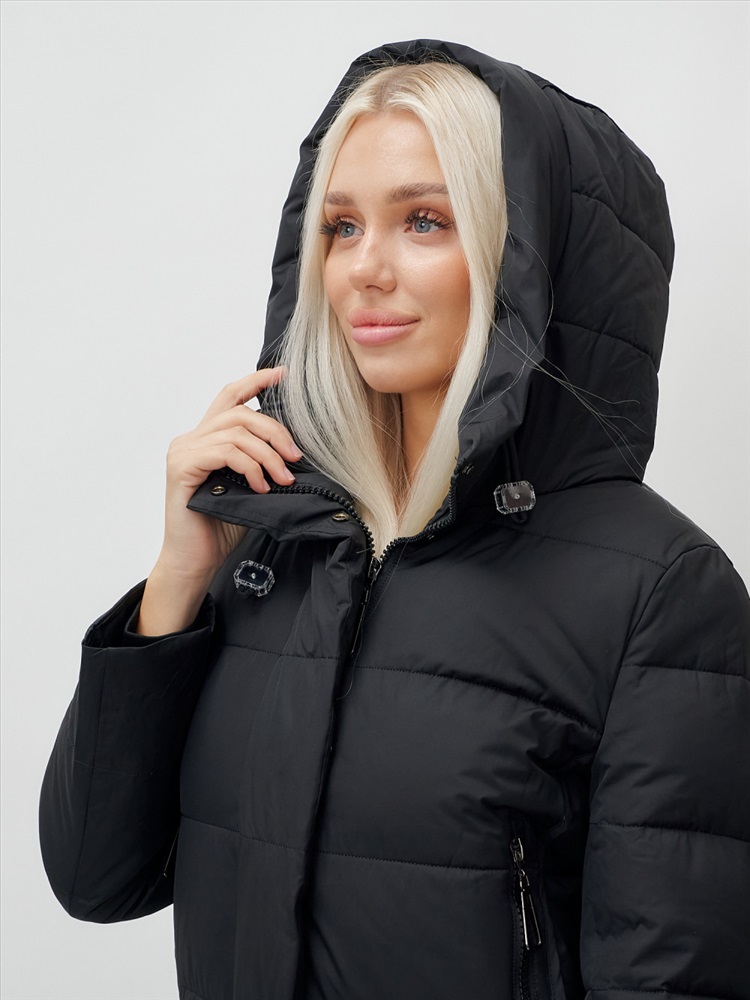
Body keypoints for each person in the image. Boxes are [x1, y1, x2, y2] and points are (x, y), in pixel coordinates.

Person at [39, 39, 750, 1000]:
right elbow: (96, 877)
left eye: (424, 220)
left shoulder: (660, 592)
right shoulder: (274, 548)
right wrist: (180, 579)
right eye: (341, 227)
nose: (363, 270)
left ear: (530, 258)